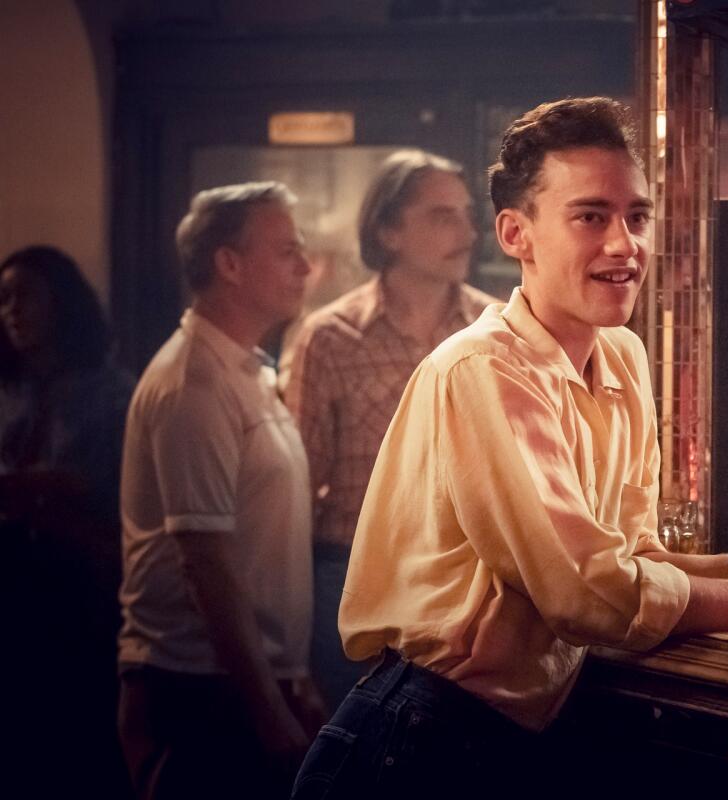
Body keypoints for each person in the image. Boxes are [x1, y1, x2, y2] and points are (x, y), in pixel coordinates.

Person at [291, 97, 728, 797]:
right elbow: (587, 597)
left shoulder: (623, 355)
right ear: (516, 234)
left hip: (511, 739)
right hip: (416, 737)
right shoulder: (483, 368)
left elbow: (627, 559)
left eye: (637, 216)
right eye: (590, 216)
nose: (625, 243)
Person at [117, 182, 325, 800]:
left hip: (242, 679)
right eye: (287, 250)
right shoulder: (194, 382)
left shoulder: (245, 369)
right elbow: (203, 560)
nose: (306, 266)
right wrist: (267, 706)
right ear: (228, 265)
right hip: (200, 686)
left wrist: (292, 673)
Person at [283, 149, 493, 707]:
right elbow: (299, 490)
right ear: (389, 231)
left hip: (467, 584)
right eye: (442, 215)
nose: (469, 233)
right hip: (354, 574)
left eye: (467, 215)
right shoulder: (329, 336)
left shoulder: (492, 330)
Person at [1, 245, 134, 798]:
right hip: (15, 590)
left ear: (62, 303)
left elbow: (94, 486)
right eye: (3, 299)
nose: (11, 310)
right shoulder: (12, 393)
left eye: (23, 295)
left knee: (79, 743)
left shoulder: (111, 394)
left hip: (84, 591)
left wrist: (32, 487)